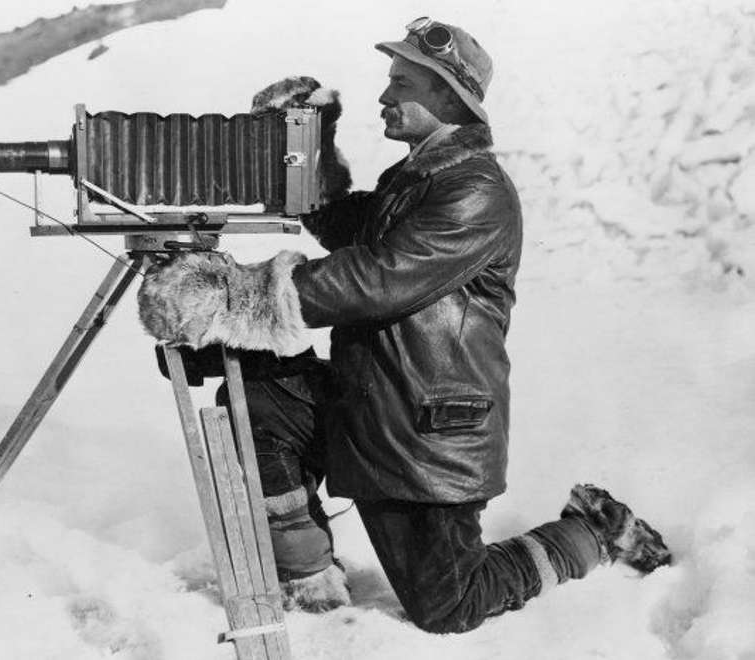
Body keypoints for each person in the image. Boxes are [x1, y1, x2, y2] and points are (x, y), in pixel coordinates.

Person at [138, 17, 672, 632]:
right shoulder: (418, 178)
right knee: (260, 398)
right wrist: (309, 147)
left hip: (424, 430)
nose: (384, 96)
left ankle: (594, 533)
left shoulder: (476, 190)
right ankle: (308, 573)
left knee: (451, 607)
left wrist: (231, 297)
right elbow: (347, 229)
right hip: (372, 403)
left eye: (401, 84)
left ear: (449, 96)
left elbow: (379, 276)